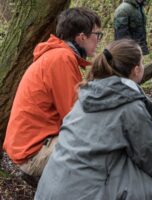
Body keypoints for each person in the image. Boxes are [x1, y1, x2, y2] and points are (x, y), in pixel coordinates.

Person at [34, 39, 152, 200]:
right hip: (86, 192)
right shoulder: (128, 104)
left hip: (51, 188)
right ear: (136, 70)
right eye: (142, 62)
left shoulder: (88, 94)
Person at [3, 7, 102, 178]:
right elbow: (74, 115)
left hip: (30, 145)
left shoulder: (57, 55)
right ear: (82, 37)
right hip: (34, 152)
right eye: (97, 35)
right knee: (104, 155)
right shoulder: (61, 59)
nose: (99, 40)